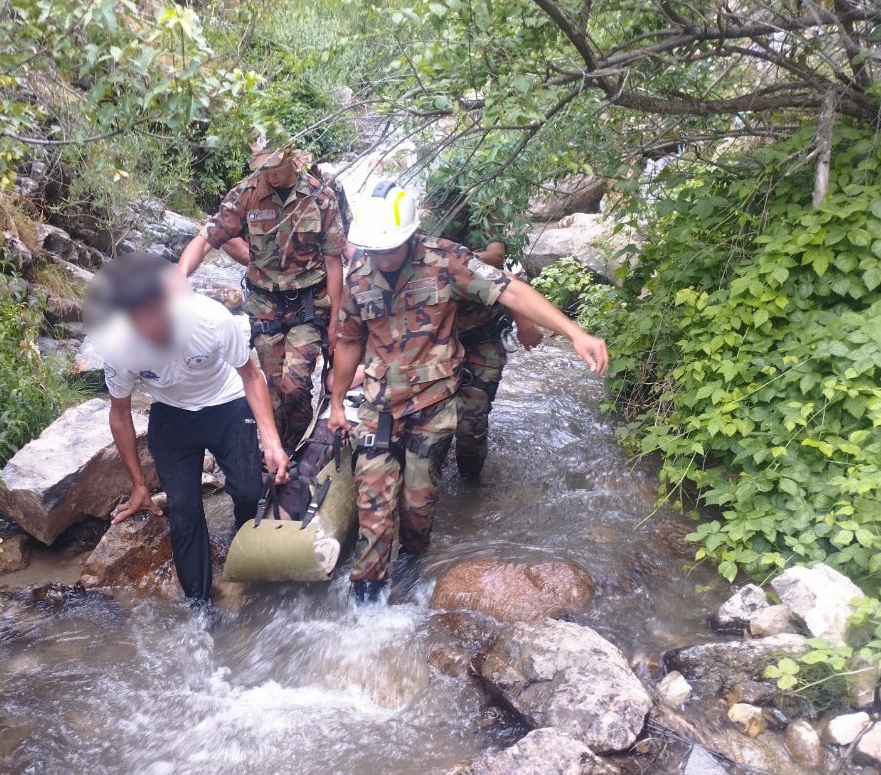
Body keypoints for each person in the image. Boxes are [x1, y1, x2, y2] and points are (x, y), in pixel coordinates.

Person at [327, 182, 609, 602]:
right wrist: (334, 402)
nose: (381, 257)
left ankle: (412, 562)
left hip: (432, 406)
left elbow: (510, 289)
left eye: (390, 248)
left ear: (408, 236)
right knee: (373, 508)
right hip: (379, 408)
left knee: (418, 505)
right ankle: (366, 598)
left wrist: (574, 332)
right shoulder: (359, 273)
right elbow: (349, 340)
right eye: (375, 248)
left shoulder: (446, 260)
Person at [90, 252, 290, 606]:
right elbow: (120, 414)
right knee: (183, 510)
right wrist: (138, 484)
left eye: (157, 313)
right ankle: (200, 606)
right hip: (172, 413)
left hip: (227, 403)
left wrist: (272, 442)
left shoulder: (211, 319)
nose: (151, 326)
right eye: (140, 319)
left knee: (246, 491)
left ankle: (246, 556)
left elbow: (251, 376)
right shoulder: (118, 347)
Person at [178, 133, 346, 452]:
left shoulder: (319, 196)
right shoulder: (247, 194)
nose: (269, 173)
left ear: (290, 157)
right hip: (265, 305)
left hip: (309, 304)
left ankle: (295, 447)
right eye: (263, 166)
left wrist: (337, 319)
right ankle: (280, 454)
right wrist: (179, 277)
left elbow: (333, 260)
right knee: (274, 390)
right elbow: (207, 237)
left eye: (275, 165)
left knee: (295, 385)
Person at [445, 215, 544, 481]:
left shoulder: (481, 217)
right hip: (438, 343)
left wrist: (526, 327)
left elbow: (504, 272)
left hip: (481, 338)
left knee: (470, 422)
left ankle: (469, 483)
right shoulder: (410, 251)